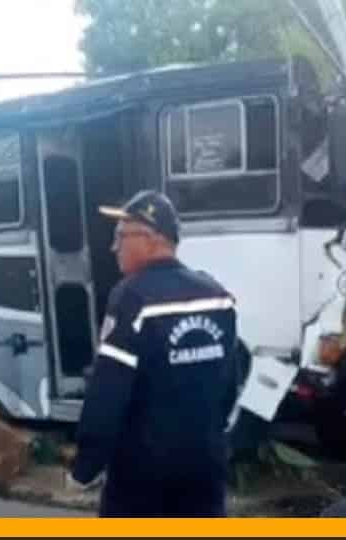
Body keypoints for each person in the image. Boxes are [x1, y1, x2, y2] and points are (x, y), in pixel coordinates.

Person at [69, 190, 239, 517]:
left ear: (150, 239)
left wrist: (85, 467)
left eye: (121, 236)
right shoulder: (218, 296)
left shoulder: (133, 297)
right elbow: (228, 385)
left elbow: (108, 393)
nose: (114, 247)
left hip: (143, 476)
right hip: (205, 466)